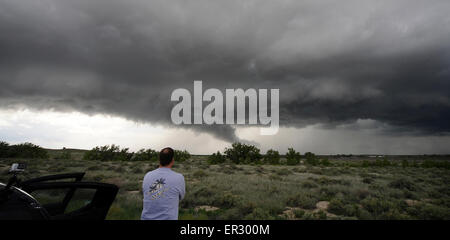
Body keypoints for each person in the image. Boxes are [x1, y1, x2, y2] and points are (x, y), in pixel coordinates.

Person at [141, 147, 185, 220]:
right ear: (172, 160)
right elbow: (181, 197)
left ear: (159, 160)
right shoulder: (179, 178)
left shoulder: (147, 175)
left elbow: (146, 194)